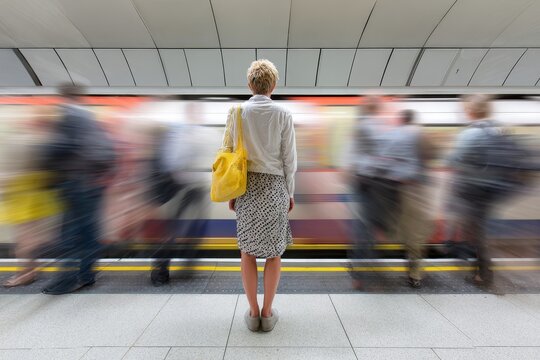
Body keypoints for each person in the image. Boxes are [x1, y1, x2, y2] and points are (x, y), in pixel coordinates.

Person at [223, 60, 297, 332]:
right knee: (274, 253)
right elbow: (290, 159)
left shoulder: (237, 112)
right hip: (275, 187)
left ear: (250, 85)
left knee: (248, 251)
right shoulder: (283, 115)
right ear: (273, 86)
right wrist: (290, 192)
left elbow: (229, 154)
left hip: (246, 187)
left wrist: (232, 192)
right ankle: (268, 313)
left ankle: (252, 312)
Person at [41, 83, 116, 295]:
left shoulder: (69, 117)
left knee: (70, 233)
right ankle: (86, 275)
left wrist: (48, 164)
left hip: (76, 182)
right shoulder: (92, 119)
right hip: (94, 183)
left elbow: (56, 149)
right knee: (89, 230)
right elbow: (108, 152)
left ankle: (65, 281)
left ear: (64, 96)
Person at [447, 94, 513, 287]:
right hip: (492, 191)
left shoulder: (471, 133)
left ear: (472, 110)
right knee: (479, 231)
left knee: (477, 233)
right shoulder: (499, 129)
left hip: (473, 193)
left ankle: (483, 275)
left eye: (465, 109)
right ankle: (480, 269)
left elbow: (453, 160)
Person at [0, 107, 62, 287]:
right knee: (30, 236)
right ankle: (31, 270)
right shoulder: (44, 141)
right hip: (38, 195)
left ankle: (26, 273)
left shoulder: (23, 141)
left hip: (23, 196)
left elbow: (9, 172)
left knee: (24, 238)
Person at [376, 109, 435, 288]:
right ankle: (414, 274)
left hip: (394, 191)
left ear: (401, 119)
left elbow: (383, 161)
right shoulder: (420, 134)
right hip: (414, 190)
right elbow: (433, 154)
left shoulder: (393, 134)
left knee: (402, 230)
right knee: (416, 234)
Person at [347, 95, 396, 289]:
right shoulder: (378, 126)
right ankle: (367, 269)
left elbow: (353, 158)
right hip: (375, 184)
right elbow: (383, 157)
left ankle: (359, 273)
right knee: (372, 227)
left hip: (363, 182)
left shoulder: (361, 126)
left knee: (362, 228)